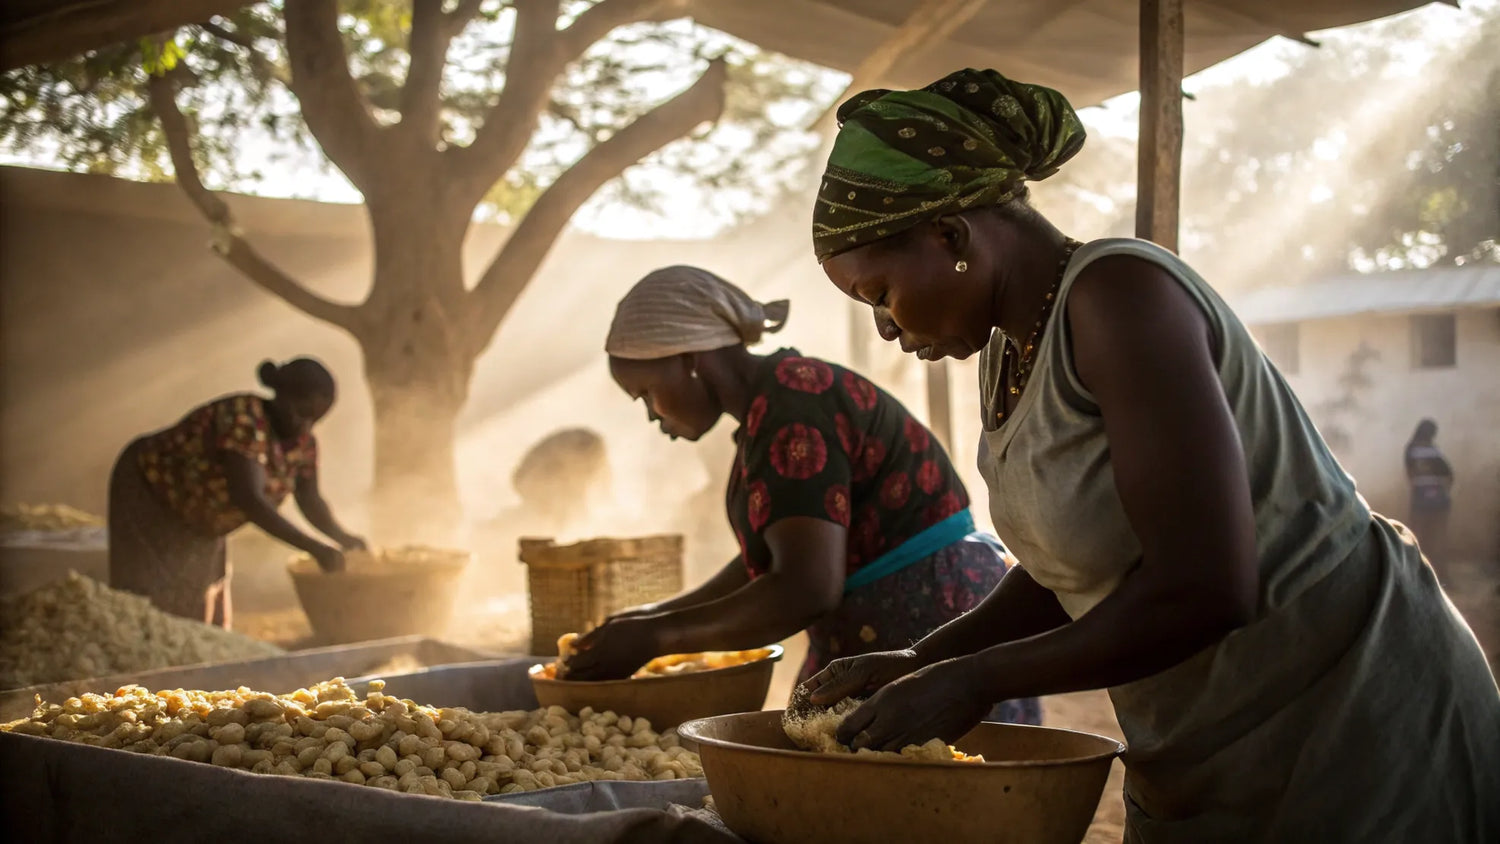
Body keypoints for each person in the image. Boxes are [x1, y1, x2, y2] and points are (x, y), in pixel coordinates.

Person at [803, 68, 1500, 842]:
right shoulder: (1009, 350)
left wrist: (976, 680)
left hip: (1344, 711)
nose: (887, 332)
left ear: (951, 236)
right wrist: (925, 658)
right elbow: (1066, 560)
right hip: (1210, 737)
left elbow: (1205, 587)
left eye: (878, 295)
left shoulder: (1120, 297)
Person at [564, 265, 1041, 726]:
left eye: (647, 392)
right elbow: (776, 559)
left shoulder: (796, 404)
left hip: (923, 619)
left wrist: (656, 637)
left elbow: (803, 588)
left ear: (689, 359)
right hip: (883, 619)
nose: (652, 415)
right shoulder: (772, 410)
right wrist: (654, 615)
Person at [108, 358, 365, 628]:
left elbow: (310, 500)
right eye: (300, 412)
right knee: (153, 604)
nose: (305, 426)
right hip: (151, 489)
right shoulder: (244, 418)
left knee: (199, 607)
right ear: (282, 395)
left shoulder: (303, 443)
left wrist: (343, 538)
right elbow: (250, 499)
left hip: (201, 516)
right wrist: (314, 548)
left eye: (314, 419)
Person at [1404, 418, 1454, 578]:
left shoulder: (1411, 449)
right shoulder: (1434, 451)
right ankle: (1441, 575)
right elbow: (1449, 475)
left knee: (1417, 537)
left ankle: (1417, 574)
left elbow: (1410, 474)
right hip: (1439, 500)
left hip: (1420, 499)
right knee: (1438, 538)